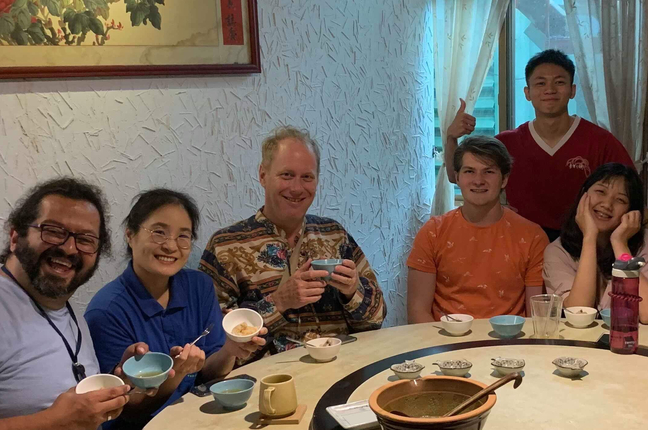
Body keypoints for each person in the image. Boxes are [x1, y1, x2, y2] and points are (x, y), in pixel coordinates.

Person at [85, 189, 267, 429]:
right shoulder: (106, 311)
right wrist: (177, 374)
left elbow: (210, 373)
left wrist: (230, 349)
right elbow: (129, 411)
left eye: (183, 236)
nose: (171, 246)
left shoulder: (198, 286)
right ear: (130, 235)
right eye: (159, 233)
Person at [200, 126, 386, 356]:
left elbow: (376, 320)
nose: (297, 188)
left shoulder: (334, 234)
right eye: (286, 175)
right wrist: (279, 302)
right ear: (263, 175)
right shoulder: (225, 245)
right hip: (268, 381)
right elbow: (210, 338)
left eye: (307, 177)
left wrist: (352, 292)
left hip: (340, 369)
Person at [0, 177, 159, 430]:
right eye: (53, 231)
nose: (70, 249)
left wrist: (121, 384)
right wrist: (52, 422)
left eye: (86, 240)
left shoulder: (68, 312)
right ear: (15, 237)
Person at [445, 49, 634, 241]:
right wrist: (451, 138)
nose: (550, 90)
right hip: (519, 240)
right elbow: (455, 176)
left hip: (582, 241)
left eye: (559, 82)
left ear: (572, 90)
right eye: (540, 83)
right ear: (527, 93)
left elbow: (632, 192)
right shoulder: (506, 142)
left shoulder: (600, 141)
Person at [407, 136, 547, 322]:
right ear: (457, 178)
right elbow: (418, 312)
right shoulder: (433, 232)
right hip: (446, 342)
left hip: (511, 343)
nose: (478, 180)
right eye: (469, 171)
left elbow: (537, 318)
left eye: (488, 172)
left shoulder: (532, 236)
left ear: (504, 179)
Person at [543, 163, 648, 325]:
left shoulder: (647, 241)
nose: (607, 204)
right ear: (583, 195)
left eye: (620, 199)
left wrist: (620, 244)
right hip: (589, 347)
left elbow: (647, 314)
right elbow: (580, 313)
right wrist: (589, 238)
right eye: (600, 192)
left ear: (631, 210)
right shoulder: (558, 251)